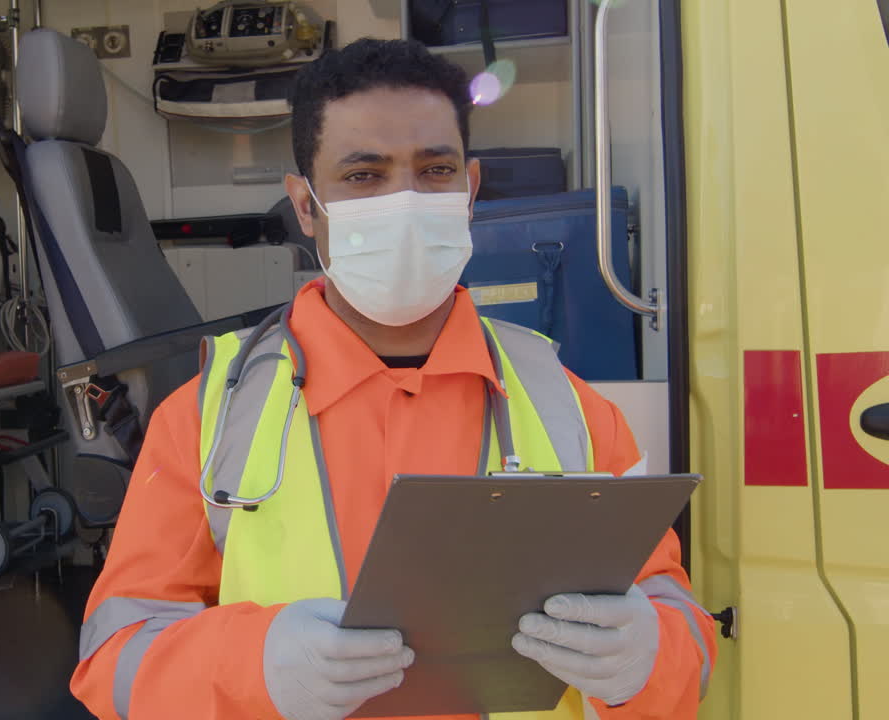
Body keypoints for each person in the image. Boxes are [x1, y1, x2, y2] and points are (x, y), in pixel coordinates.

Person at [71, 39, 716, 720]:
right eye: (364, 175)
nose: (405, 199)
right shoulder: (207, 418)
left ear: (468, 189)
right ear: (306, 206)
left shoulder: (572, 409)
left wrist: (646, 658)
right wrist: (251, 663)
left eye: (434, 169)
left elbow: (683, 636)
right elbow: (114, 661)